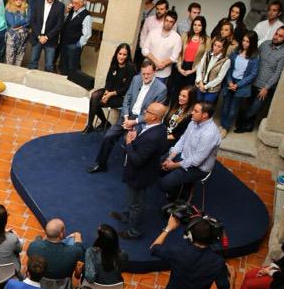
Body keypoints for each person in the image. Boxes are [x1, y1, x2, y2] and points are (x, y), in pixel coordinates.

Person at [87, 60, 167, 173]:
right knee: (108, 136)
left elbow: (154, 114)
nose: (145, 77)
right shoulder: (136, 79)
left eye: (148, 74)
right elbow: (127, 99)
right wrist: (125, 117)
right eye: (143, 74)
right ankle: (101, 164)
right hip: (127, 116)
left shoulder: (161, 89)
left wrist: (135, 122)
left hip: (142, 121)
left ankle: (131, 171)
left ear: (154, 72)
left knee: (129, 140)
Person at [113, 102, 169, 239]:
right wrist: (136, 140)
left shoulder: (152, 137)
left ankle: (133, 231)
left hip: (139, 175)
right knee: (133, 199)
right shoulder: (161, 128)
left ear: (154, 117)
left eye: (147, 111)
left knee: (136, 203)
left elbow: (137, 160)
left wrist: (129, 143)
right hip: (146, 171)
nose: (144, 112)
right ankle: (127, 216)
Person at [160, 101, 222, 202]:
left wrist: (173, 165)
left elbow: (196, 161)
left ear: (205, 115)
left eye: (196, 111)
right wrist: (170, 158)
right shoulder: (193, 121)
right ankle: (179, 187)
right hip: (184, 157)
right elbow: (182, 140)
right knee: (160, 163)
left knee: (165, 183)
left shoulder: (209, 134)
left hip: (198, 168)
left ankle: (181, 199)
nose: (192, 112)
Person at [238, 25, 284, 133]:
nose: (276, 37)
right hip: (252, 81)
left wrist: (266, 88)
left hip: (264, 87)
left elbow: (278, 73)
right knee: (246, 104)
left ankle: (244, 123)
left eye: (280, 36)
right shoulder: (265, 44)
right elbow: (254, 58)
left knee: (254, 108)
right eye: (276, 34)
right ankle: (248, 126)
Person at [85, 43, 137, 133]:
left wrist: (110, 95)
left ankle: (104, 122)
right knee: (94, 96)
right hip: (110, 92)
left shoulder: (130, 67)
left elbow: (127, 88)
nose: (121, 57)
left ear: (128, 56)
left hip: (122, 97)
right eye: (120, 54)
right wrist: (106, 93)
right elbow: (108, 81)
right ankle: (90, 125)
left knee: (95, 102)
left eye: (124, 55)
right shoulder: (114, 63)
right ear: (116, 54)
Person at [219, 31, 261, 136]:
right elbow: (228, 67)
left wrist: (238, 85)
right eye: (244, 40)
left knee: (233, 110)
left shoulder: (255, 57)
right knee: (225, 107)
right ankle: (222, 125)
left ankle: (226, 128)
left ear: (252, 43)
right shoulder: (235, 51)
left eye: (248, 41)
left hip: (241, 84)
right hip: (230, 81)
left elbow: (253, 74)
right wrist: (229, 81)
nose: (244, 43)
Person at [143, 8, 182, 84]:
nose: (168, 23)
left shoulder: (177, 38)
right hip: (146, 69)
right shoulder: (153, 32)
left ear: (174, 23)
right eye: (167, 20)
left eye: (171, 22)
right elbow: (145, 50)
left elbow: (174, 57)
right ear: (164, 20)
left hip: (163, 74)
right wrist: (156, 62)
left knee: (158, 91)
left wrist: (162, 64)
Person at [58, 0, 92, 76]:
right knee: (63, 66)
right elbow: (64, 22)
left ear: (83, 3)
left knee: (72, 68)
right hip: (64, 42)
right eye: (72, 2)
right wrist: (66, 11)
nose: (73, 5)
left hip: (74, 46)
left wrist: (77, 46)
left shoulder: (87, 16)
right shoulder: (71, 10)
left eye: (76, 3)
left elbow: (87, 34)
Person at [194, 37, 232, 104]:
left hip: (212, 90)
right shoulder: (207, 54)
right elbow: (200, 67)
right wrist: (200, 82)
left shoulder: (226, 61)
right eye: (215, 45)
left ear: (223, 48)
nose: (215, 48)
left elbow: (219, 78)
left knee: (206, 107)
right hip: (200, 85)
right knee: (197, 105)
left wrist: (205, 87)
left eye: (219, 46)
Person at [3, 0, 31, 67]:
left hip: (23, 39)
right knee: (10, 60)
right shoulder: (8, 9)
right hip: (12, 38)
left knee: (19, 60)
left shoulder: (26, 8)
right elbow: (13, 24)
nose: (18, 1)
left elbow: (29, 21)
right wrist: (24, 21)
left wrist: (21, 25)